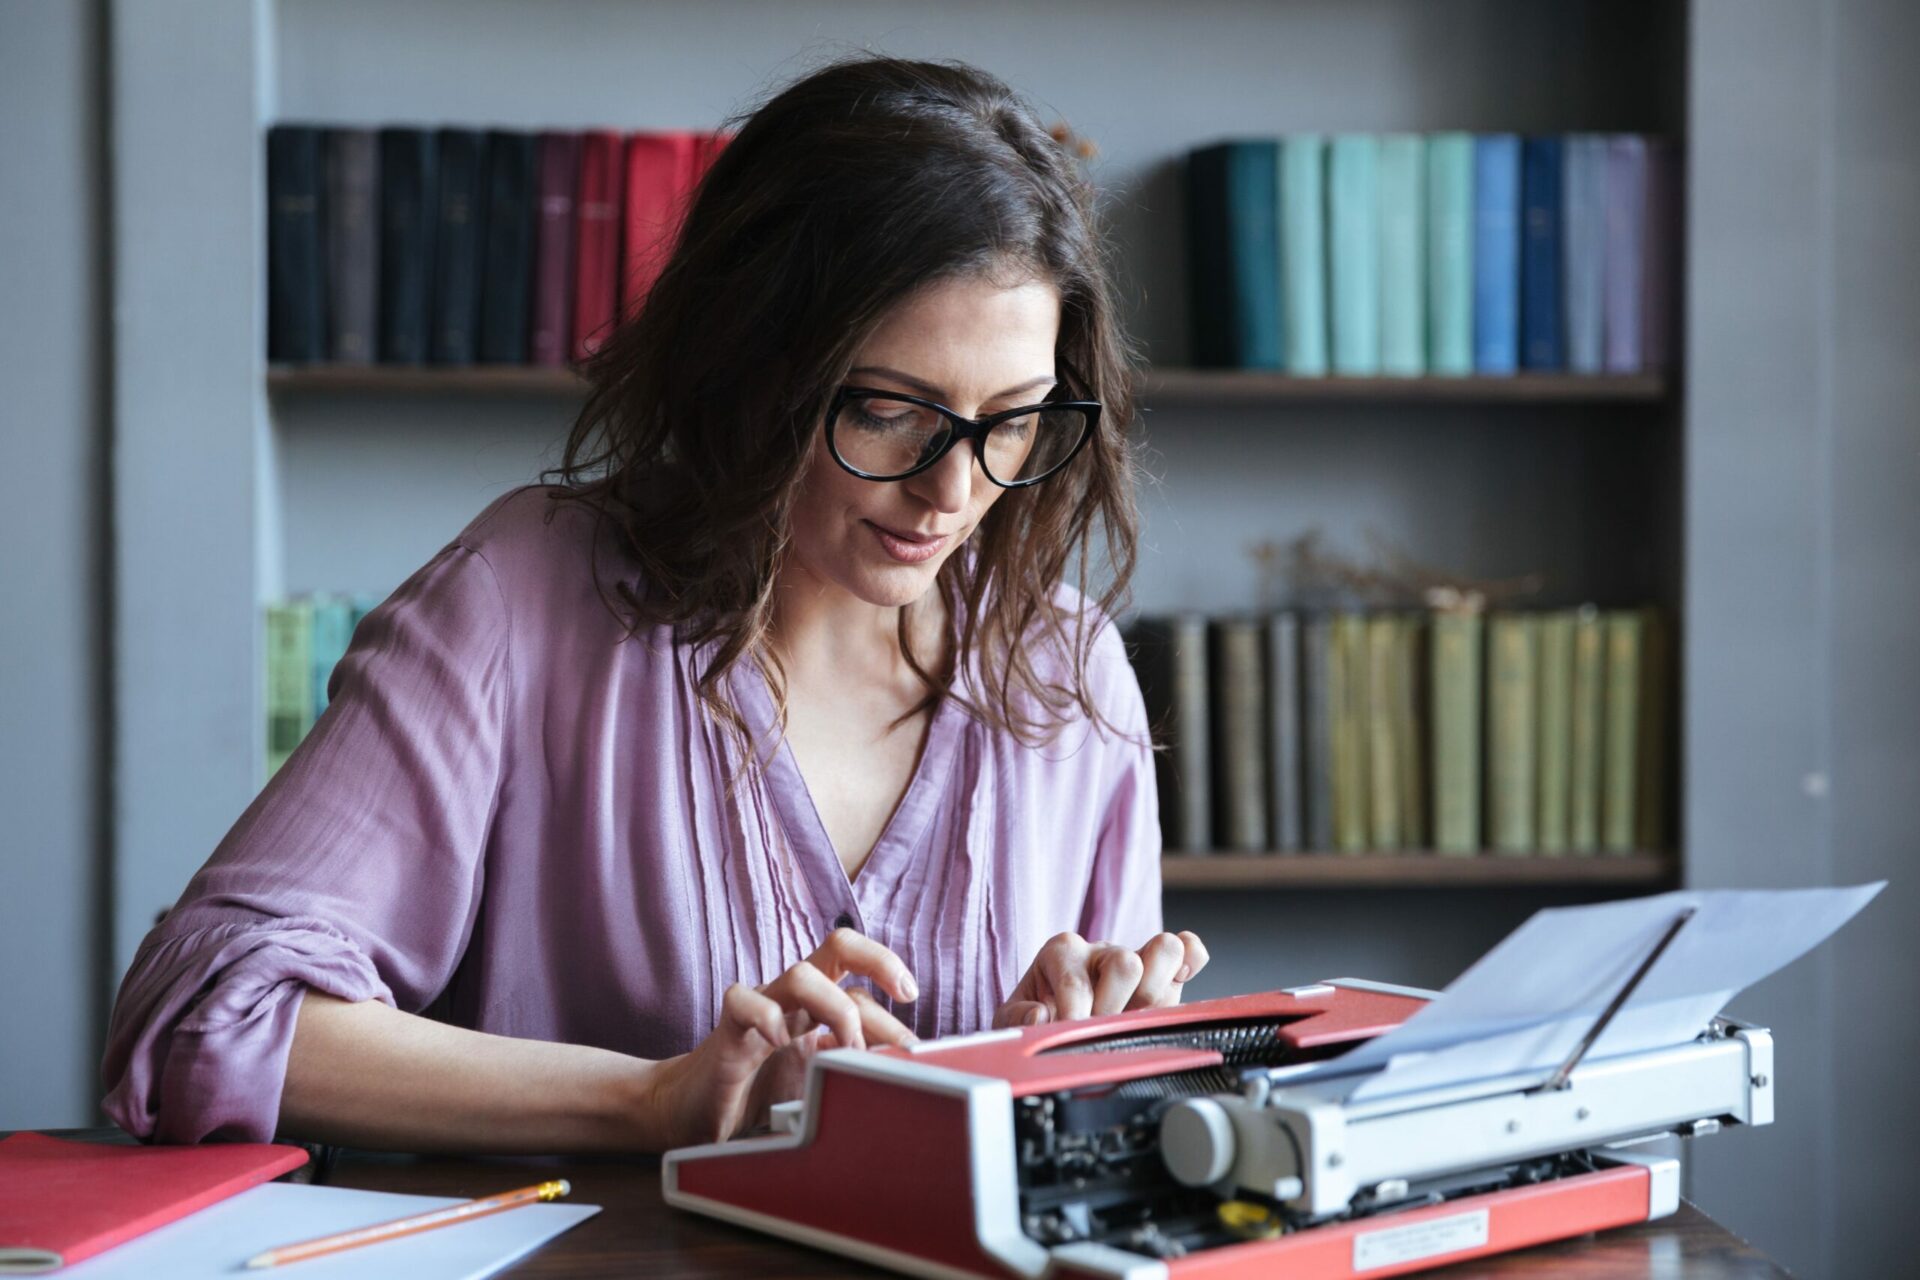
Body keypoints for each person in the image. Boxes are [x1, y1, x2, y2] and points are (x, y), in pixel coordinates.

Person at [101, 54, 1208, 1156]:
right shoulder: (523, 601)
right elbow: (206, 1013)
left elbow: (1100, 1140)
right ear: (752, 368)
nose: (953, 488)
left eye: (1012, 419)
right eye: (884, 412)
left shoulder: (1071, 671)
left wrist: (1083, 1062)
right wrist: (654, 1098)